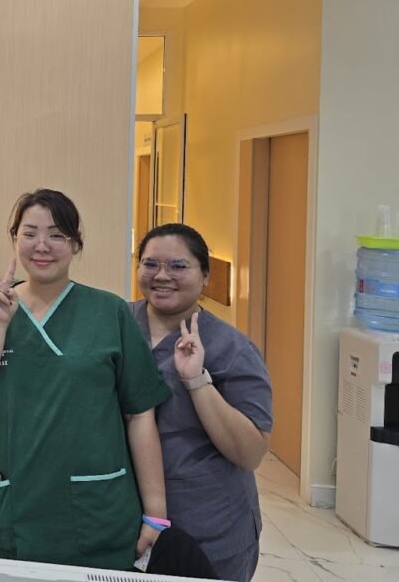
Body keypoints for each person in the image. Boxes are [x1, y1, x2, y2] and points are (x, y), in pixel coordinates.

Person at [0, 189, 170, 571]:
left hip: (98, 512)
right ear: (15, 238)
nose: (42, 245)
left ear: (75, 243)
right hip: (16, 511)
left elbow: (139, 415)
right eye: (30, 233)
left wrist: (156, 513)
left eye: (57, 235)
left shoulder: (109, 312)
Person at [133, 223, 273, 582]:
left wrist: (196, 380)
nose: (162, 276)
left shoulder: (232, 349)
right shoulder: (117, 325)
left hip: (208, 525)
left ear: (206, 275)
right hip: (127, 519)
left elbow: (250, 453)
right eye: (150, 264)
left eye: (178, 266)